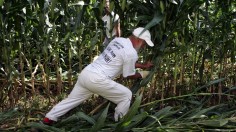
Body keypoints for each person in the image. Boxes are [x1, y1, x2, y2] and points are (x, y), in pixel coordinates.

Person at [43, 27, 154, 125]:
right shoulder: (131, 53)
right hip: (97, 79)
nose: (143, 47)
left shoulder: (118, 41)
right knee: (126, 95)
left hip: (86, 74)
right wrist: (143, 74)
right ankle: (120, 124)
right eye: (144, 44)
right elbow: (128, 75)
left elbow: (122, 60)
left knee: (71, 100)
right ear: (139, 40)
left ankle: (48, 119)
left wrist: (143, 65)